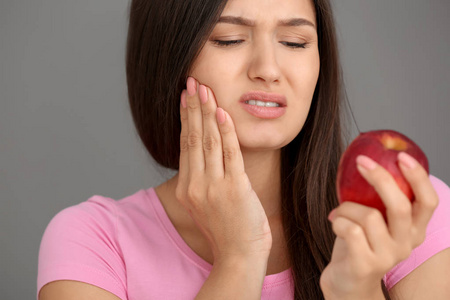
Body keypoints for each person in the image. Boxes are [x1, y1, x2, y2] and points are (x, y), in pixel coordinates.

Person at [37, 0, 450, 299]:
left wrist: (355, 289)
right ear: (170, 59)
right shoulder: (91, 243)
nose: (268, 69)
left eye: (294, 42)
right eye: (229, 39)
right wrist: (239, 259)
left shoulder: (404, 213)